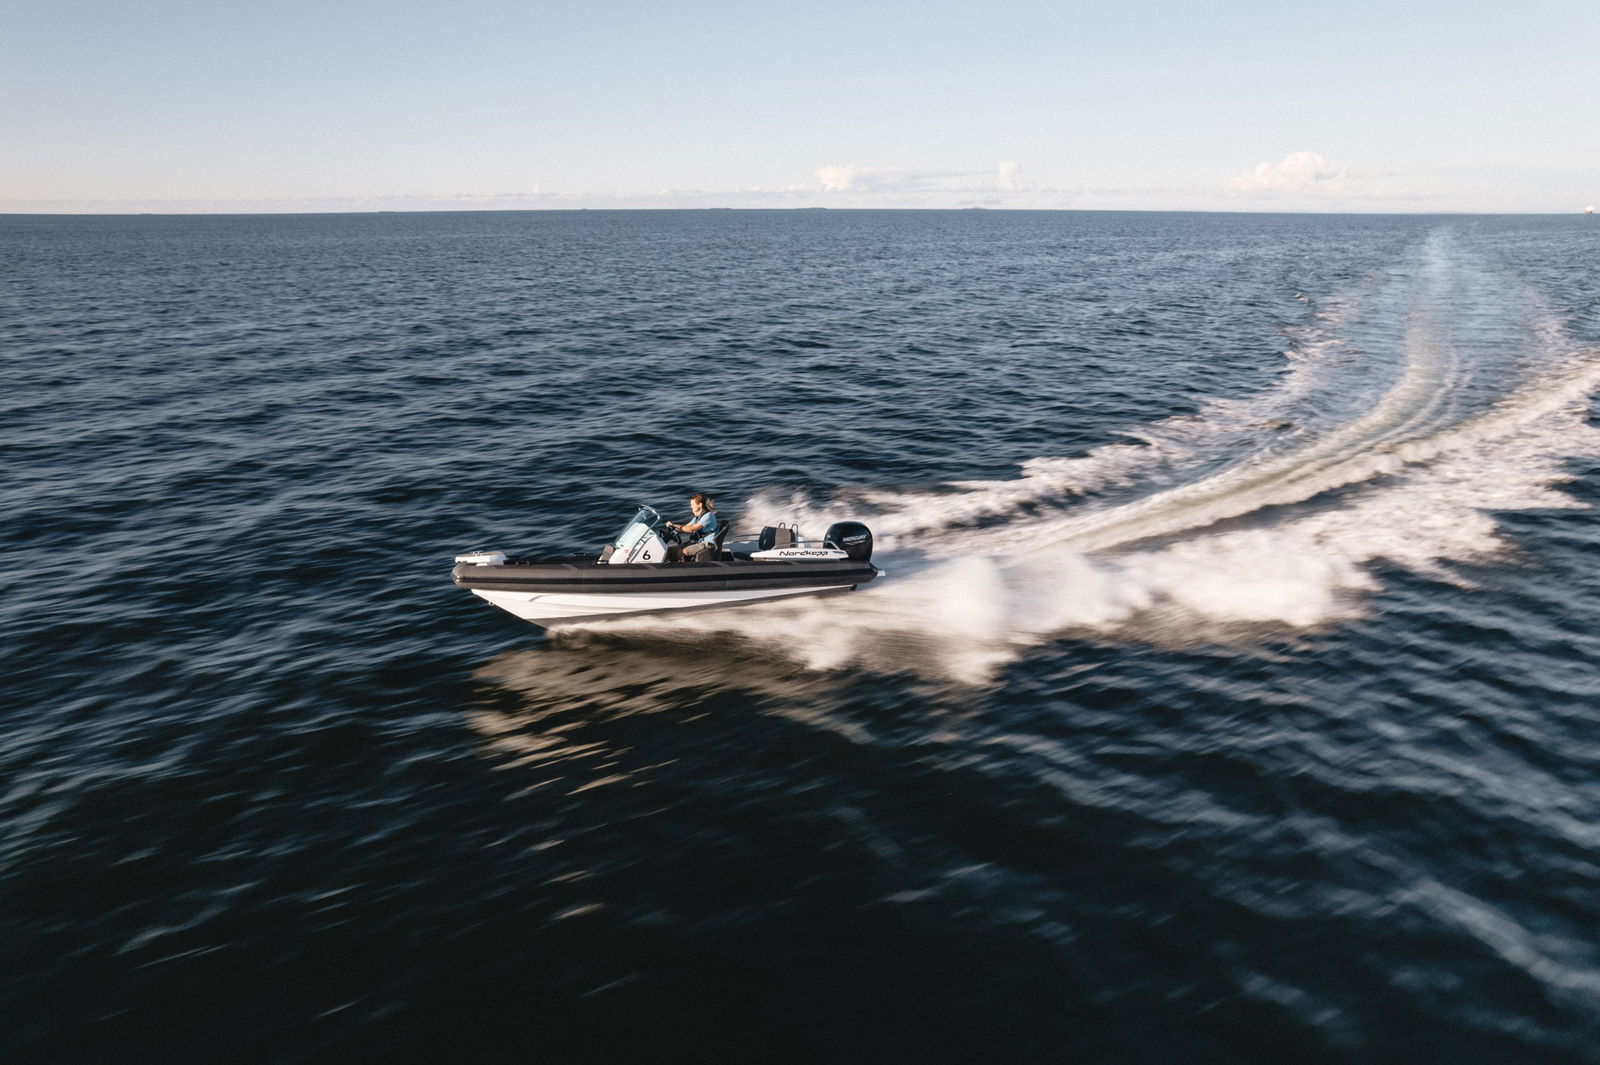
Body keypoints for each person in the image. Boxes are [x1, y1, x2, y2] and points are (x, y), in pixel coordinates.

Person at [664, 493, 719, 562]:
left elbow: (691, 529)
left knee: (681, 552)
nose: (691, 506)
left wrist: (677, 528)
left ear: (700, 505)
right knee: (672, 549)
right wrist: (673, 526)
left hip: (708, 544)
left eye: (692, 504)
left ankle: (683, 567)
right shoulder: (697, 518)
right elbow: (686, 527)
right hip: (700, 542)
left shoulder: (708, 516)